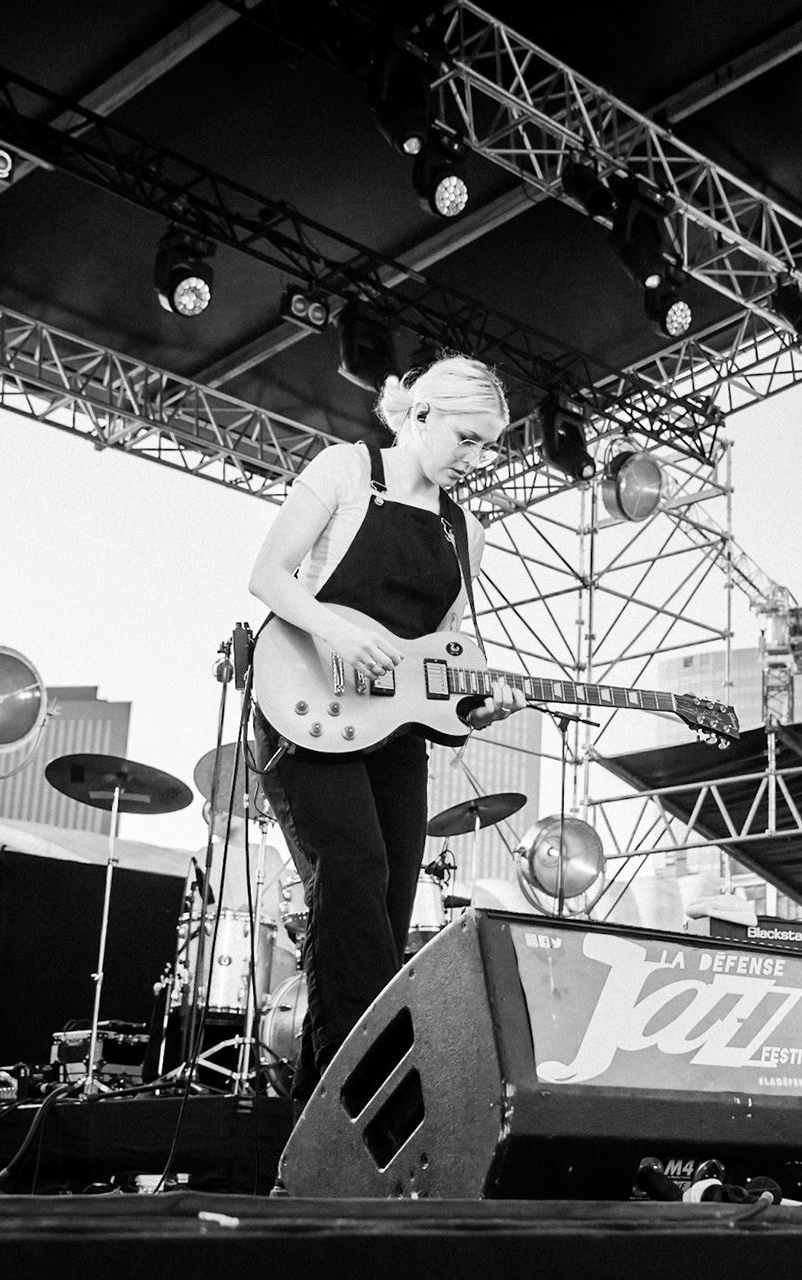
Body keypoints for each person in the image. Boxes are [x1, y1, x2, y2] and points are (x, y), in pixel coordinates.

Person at [248, 355, 526, 1103]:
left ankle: (318, 1120)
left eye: (488, 445)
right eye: (469, 439)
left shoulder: (467, 531)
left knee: (389, 904)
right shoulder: (344, 469)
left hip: (392, 736)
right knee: (356, 874)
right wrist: (333, 632)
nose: (477, 459)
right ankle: (369, 1097)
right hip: (302, 707)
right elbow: (267, 576)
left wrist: (476, 705)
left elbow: (440, 655)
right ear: (424, 415)